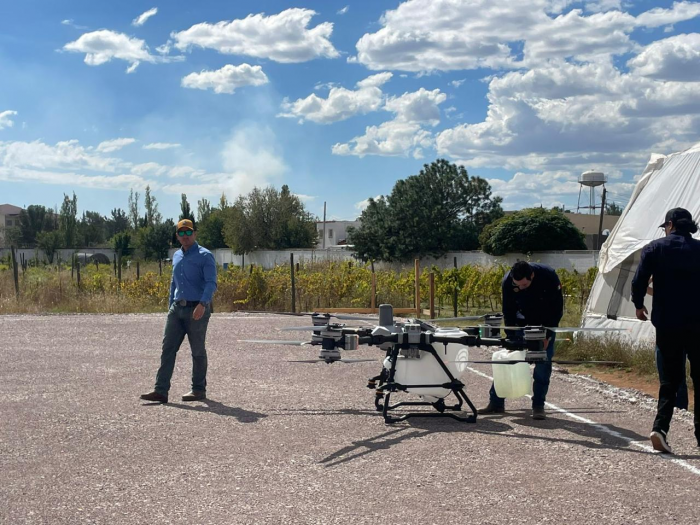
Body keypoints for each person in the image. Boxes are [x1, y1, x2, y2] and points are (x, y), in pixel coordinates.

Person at [631, 207, 700, 454]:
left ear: (670, 225)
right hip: (697, 323)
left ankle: (660, 428)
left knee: (669, 380)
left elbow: (639, 280)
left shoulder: (655, 248)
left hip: (668, 323)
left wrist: (639, 305)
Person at [140, 219, 218, 404]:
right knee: (167, 349)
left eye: (188, 232)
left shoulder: (205, 255)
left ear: (195, 233)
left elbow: (211, 283)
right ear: (177, 236)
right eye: (181, 233)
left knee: (197, 350)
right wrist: (170, 307)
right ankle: (160, 391)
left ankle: (198, 389)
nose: (185, 236)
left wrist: (203, 304)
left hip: (197, 308)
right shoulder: (176, 256)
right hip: (177, 309)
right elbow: (173, 283)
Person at [479, 261, 563, 420]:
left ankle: (538, 405)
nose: (521, 288)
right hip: (520, 323)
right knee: (507, 361)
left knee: (542, 364)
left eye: (524, 284)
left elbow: (557, 309)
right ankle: (496, 403)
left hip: (544, 325)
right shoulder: (508, 281)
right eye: (518, 285)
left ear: (532, 276)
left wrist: (547, 335)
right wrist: (511, 336)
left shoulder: (549, 276)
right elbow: (508, 310)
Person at [647, 278, 688, 410]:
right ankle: (674, 406)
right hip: (668, 334)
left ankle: (678, 407)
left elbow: (641, 286)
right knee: (670, 372)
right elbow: (642, 287)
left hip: (675, 333)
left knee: (673, 373)